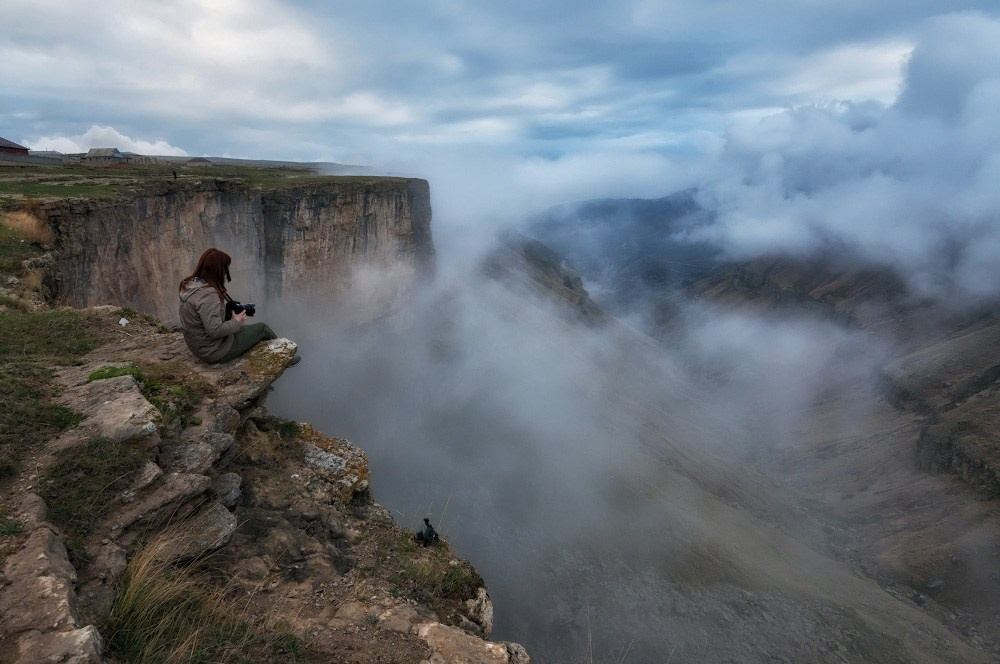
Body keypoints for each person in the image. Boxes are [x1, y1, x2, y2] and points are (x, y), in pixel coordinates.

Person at [178, 248, 296, 364]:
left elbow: (204, 316)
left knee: (245, 331)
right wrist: (236, 321)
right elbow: (214, 330)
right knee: (262, 329)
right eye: (225, 269)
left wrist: (227, 312)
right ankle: (286, 359)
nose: (225, 273)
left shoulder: (191, 286)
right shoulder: (208, 294)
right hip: (214, 351)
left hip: (201, 346)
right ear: (218, 270)